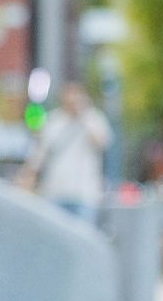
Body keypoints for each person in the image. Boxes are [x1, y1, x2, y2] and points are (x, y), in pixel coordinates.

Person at [17, 80, 112, 226]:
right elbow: (39, 155)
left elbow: (102, 143)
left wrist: (82, 115)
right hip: (55, 192)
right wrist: (26, 178)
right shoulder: (53, 121)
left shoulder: (93, 118)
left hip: (85, 194)